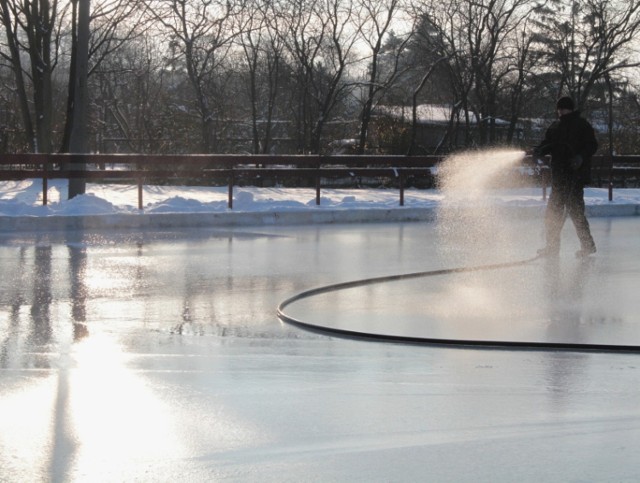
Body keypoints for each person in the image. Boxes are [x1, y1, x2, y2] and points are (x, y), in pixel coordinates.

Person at [532, 96, 598, 258]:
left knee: (576, 213)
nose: (560, 111)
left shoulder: (582, 125)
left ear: (570, 109)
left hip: (575, 177)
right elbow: (548, 143)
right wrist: (539, 151)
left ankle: (588, 246)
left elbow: (592, 145)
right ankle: (552, 247)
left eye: (563, 108)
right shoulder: (556, 126)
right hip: (559, 177)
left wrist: (580, 158)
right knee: (552, 213)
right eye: (559, 109)